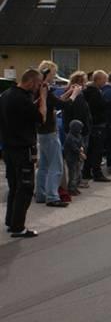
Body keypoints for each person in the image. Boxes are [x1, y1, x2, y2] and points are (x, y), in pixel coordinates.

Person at [0, 68, 47, 238]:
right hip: (22, 148)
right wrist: (44, 98)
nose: (38, 87)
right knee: (25, 187)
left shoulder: (6, 95)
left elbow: (23, 114)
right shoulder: (22, 99)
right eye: (38, 84)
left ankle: (11, 221)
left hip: (7, 147)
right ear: (32, 82)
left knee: (14, 186)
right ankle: (18, 226)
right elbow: (41, 117)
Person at [35, 60, 78, 207]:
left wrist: (68, 92)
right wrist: (75, 95)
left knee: (44, 165)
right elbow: (63, 105)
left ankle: (41, 193)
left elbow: (55, 102)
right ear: (47, 73)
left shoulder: (39, 88)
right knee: (56, 165)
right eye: (53, 74)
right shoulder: (44, 88)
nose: (55, 77)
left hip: (41, 132)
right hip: (49, 131)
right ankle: (52, 196)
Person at [62, 71, 92, 188]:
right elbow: (80, 114)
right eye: (84, 81)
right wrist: (83, 130)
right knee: (78, 158)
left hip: (74, 129)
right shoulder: (76, 96)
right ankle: (76, 182)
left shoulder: (74, 94)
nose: (85, 84)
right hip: (78, 131)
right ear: (79, 82)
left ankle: (77, 180)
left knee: (76, 159)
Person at [81, 70, 111, 183]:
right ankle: (96, 173)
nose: (105, 82)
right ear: (98, 80)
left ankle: (86, 171)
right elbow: (101, 106)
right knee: (96, 150)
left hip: (93, 124)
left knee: (91, 150)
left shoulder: (89, 91)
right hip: (97, 124)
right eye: (104, 79)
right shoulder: (94, 92)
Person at [64, 119, 86, 195]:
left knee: (77, 173)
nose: (80, 130)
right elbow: (74, 148)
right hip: (71, 159)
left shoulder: (78, 135)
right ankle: (71, 188)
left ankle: (75, 187)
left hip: (76, 158)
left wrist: (82, 147)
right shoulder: (70, 137)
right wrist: (81, 153)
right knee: (72, 174)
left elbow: (81, 142)